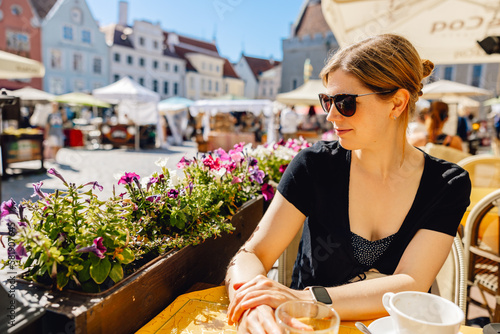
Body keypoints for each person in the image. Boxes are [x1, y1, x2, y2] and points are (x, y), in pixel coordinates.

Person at [225, 34, 471, 333]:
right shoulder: (314, 166)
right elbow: (252, 254)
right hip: (307, 327)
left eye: (345, 102)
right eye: (327, 100)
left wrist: (303, 297)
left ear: (396, 103)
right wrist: (254, 303)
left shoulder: (447, 183)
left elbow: (411, 282)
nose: (330, 115)